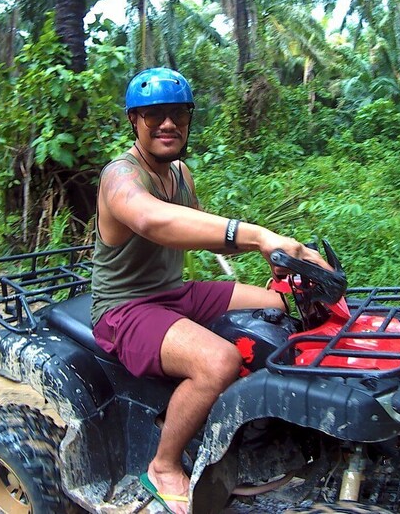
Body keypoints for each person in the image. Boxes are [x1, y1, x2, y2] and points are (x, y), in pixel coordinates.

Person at [90, 67, 329, 514]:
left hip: (174, 292)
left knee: (285, 305)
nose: (167, 124)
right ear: (133, 121)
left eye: (177, 113)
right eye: (154, 115)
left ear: (189, 118)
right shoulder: (119, 178)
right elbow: (153, 220)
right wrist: (258, 235)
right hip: (124, 310)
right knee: (219, 360)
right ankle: (163, 464)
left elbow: (193, 228)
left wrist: (279, 258)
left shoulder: (180, 172)